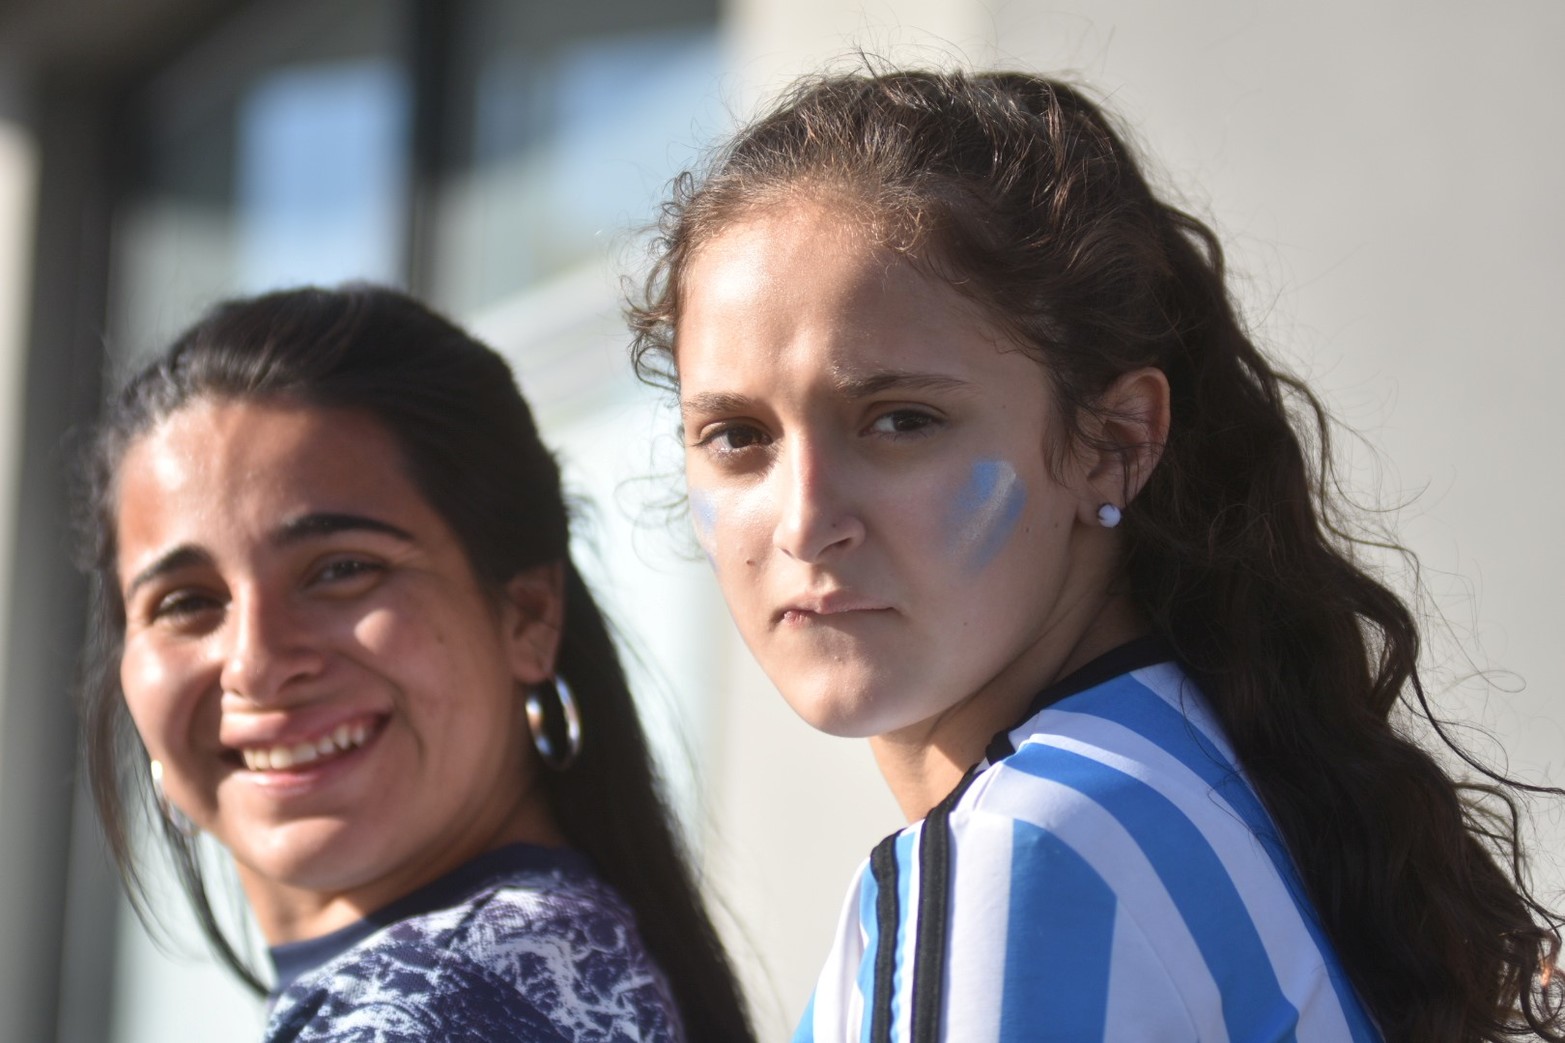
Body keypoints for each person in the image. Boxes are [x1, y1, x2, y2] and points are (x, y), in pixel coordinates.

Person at [628, 68, 1565, 1042]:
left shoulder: (1024, 847)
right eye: (737, 435)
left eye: (900, 419)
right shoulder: (1208, 781)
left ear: (1113, 443)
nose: (804, 519)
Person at [77, 285, 756, 1042]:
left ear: (528, 613)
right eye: (185, 601)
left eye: (340, 569)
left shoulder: (439, 1008)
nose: (256, 663)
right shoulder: (551, 972)